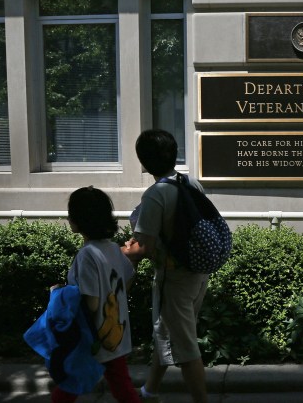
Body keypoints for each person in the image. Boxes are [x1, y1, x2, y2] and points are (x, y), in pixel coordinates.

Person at [122, 129, 209, 403]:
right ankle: (150, 390)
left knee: (185, 348)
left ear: (144, 162)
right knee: (167, 331)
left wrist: (118, 251)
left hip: (175, 279)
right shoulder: (190, 182)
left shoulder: (155, 195)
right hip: (198, 272)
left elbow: (143, 247)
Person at [54, 187, 140, 403]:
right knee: (122, 386)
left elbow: (90, 302)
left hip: (90, 338)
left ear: (77, 220)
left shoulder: (86, 255)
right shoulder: (112, 248)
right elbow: (127, 277)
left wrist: (60, 294)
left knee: (68, 385)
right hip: (114, 334)